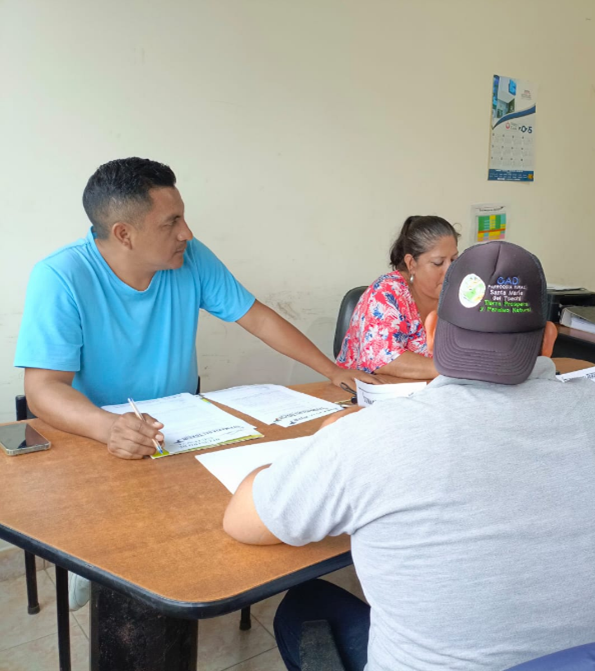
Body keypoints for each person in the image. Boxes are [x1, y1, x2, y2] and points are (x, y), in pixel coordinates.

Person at [224, 241, 595, 671]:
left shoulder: (375, 434)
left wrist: (326, 438)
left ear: (430, 333)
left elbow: (243, 521)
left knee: (303, 605)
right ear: (549, 339)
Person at [14, 157, 375, 608]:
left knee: (210, 531)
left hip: (179, 429)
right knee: (122, 559)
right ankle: (93, 562)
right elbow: (43, 389)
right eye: (171, 222)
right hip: (94, 436)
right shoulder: (61, 276)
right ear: (124, 233)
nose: (186, 232)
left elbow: (257, 317)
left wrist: (332, 369)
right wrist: (109, 428)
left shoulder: (189, 257)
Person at [336, 215, 458, 379]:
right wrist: (457, 370)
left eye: (454, 260)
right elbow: (384, 359)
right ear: (411, 263)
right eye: (438, 263)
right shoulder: (386, 293)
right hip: (366, 389)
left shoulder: (458, 293)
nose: (450, 270)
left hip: (434, 389)